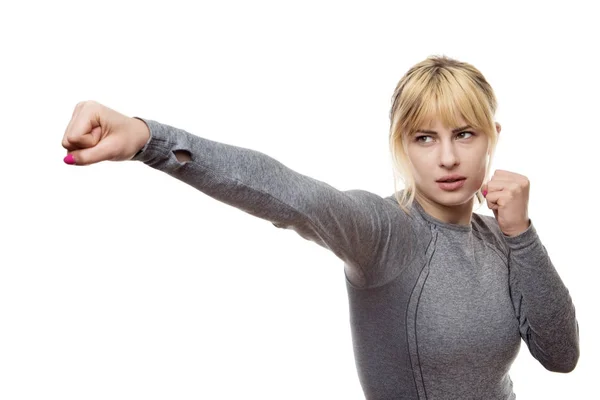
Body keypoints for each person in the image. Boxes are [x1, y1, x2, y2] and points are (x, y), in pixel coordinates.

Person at [61, 55, 579, 400]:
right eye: (425, 138)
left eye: (464, 134)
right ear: (401, 145)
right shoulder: (386, 233)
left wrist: (521, 234)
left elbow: (561, 357)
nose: (447, 157)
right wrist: (150, 140)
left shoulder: (503, 240)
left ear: (492, 138)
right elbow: (290, 194)